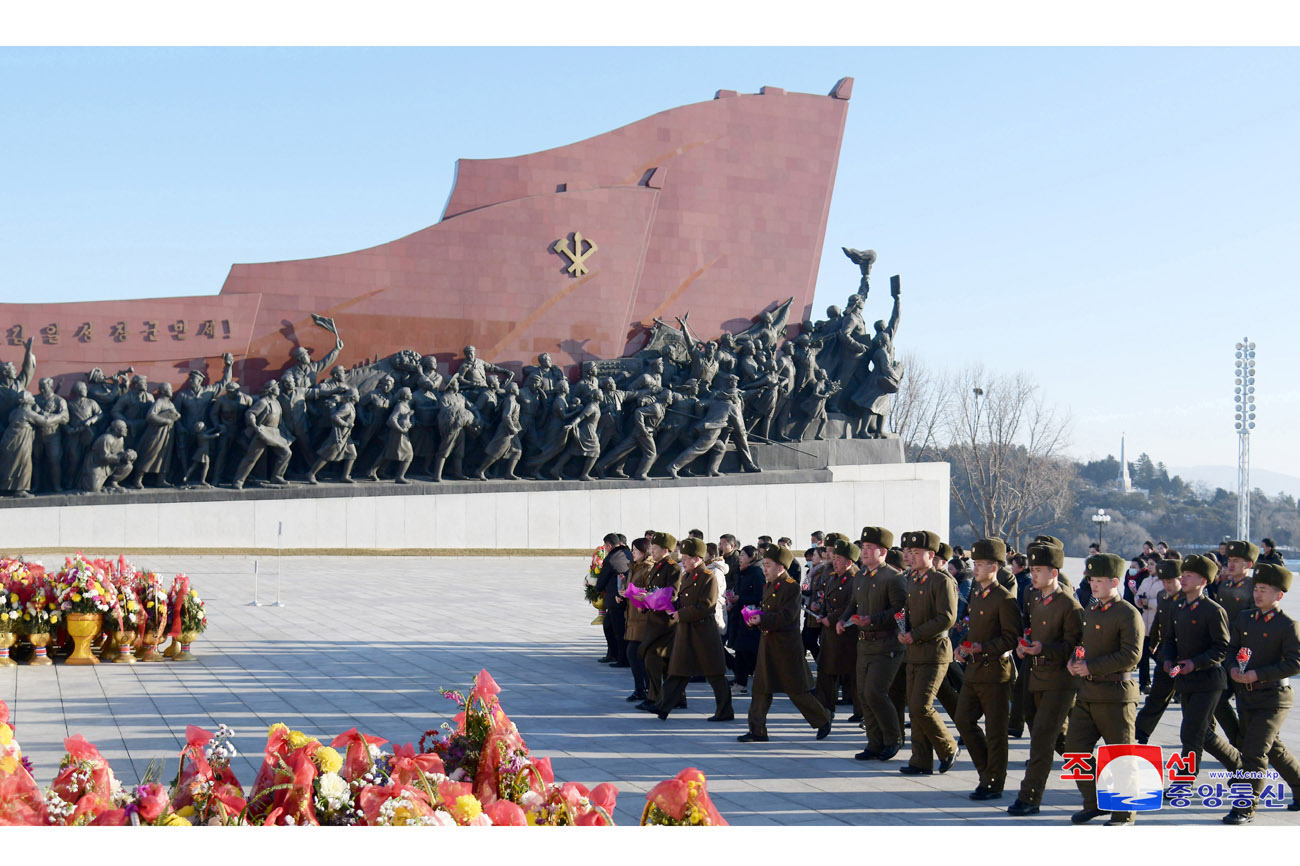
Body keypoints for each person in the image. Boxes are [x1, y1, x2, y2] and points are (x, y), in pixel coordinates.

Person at [1062, 553, 1144, 825]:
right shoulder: (1092, 610)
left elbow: (1132, 655)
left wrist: (1092, 667)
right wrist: (1075, 660)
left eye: (1099, 580)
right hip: (1087, 693)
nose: (1093, 585)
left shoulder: (1128, 613)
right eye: (1091, 580)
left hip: (1116, 695)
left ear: (1115, 582)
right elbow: (1084, 645)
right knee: (1074, 751)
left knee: (1120, 755)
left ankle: (1124, 812)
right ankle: (1096, 800)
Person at [1006, 540, 1083, 816]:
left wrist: (1044, 649)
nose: (1033, 574)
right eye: (1032, 568)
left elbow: (1075, 647)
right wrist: (1024, 644)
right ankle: (1101, 786)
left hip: (1060, 681)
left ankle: (1030, 796)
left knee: (1041, 738)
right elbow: (1029, 626)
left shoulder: (1070, 605)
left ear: (1054, 573)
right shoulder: (1032, 596)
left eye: (1038, 569)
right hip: (1034, 674)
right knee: (1061, 742)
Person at [1222, 563, 1300, 823]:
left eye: (1264, 590)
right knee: (1273, 749)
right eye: (1256, 588)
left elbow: (1295, 662)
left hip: (1274, 697)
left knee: (1254, 752)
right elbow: (1232, 649)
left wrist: (1259, 674)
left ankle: (1245, 806)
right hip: (1248, 696)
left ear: (1279, 595)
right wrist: (1233, 668)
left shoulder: (1288, 625)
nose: (1258, 594)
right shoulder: (1245, 618)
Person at [737, 546, 833, 743]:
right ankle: (757, 730)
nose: (764, 569)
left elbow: (787, 617)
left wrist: (761, 620)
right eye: (763, 565)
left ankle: (823, 720)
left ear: (780, 567)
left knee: (796, 690)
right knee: (761, 689)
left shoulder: (790, 586)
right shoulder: (768, 585)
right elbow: (767, 614)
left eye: (768, 565)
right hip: (768, 645)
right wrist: (755, 620)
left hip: (786, 648)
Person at [1163, 554, 1240, 782]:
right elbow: (1169, 639)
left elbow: (1222, 648)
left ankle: (1186, 778)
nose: (1183, 579)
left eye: (1189, 576)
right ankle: (1240, 766)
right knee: (1201, 732)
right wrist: (1167, 660)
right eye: (1182, 575)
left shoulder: (1213, 610)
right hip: (1186, 680)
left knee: (1191, 731)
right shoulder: (1176, 605)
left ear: (1204, 581)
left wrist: (1195, 663)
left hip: (1209, 680)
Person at [954, 538, 1020, 800]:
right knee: (963, 720)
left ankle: (994, 781)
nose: (976, 568)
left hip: (996, 672)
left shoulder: (1004, 598)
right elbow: (972, 627)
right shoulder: (978, 594)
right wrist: (962, 646)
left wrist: (982, 647)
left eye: (980, 564)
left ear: (994, 567)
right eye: (975, 563)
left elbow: (1011, 638)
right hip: (973, 670)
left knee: (995, 731)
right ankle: (986, 770)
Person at [838, 526, 906, 761]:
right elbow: (853, 603)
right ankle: (874, 743)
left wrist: (872, 619)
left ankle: (893, 738)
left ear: (883, 551)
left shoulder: (894, 578)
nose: (864, 552)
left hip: (887, 644)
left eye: (869, 548)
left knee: (875, 692)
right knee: (863, 695)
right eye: (863, 548)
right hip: (864, 644)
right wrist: (843, 619)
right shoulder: (861, 576)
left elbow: (900, 612)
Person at [898, 530, 960, 777]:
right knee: (914, 709)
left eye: (916, 553)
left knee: (921, 705)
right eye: (909, 552)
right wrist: (903, 631)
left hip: (935, 652)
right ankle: (921, 759)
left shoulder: (941, 581)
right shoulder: (912, 579)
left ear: (931, 555)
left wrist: (917, 633)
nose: (910, 557)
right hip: (914, 651)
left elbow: (947, 617)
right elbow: (908, 613)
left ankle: (948, 747)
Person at [655, 537, 734, 722]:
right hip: (687, 632)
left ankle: (725, 711)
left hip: (704, 633)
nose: (682, 561)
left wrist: (681, 615)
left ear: (696, 558)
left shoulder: (708, 577)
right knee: (678, 671)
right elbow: (683, 601)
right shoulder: (688, 575)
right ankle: (662, 707)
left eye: (686, 558)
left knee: (715, 675)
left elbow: (707, 606)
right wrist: (669, 605)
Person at [635, 532, 683, 713]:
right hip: (654, 621)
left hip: (667, 623)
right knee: (665, 661)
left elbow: (672, 594)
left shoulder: (673, 568)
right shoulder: (657, 566)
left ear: (665, 550)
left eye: (654, 548)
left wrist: (648, 597)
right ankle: (676, 697)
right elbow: (652, 589)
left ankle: (654, 697)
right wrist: (644, 604)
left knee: (652, 656)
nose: (651, 551)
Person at [1135, 560, 1182, 744]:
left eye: (1171, 581)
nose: (1167, 586)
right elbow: (1158, 621)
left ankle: (1206, 736)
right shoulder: (1163, 596)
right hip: (1166, 656)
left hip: (1185, 658)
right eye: (1164, 581)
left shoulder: (1188, 599)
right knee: (1157, 696)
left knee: (1192, 703)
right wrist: (1153, 642)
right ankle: (1140, 733)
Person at [728, 545, 764, 695]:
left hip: (750, 619)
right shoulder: (741, 573)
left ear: (751, 557)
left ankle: (743, 682)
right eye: (740, 555)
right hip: (739, 618)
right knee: (741, 653)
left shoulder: (756, 574)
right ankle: (740, 682)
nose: (740, 558)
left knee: (748, 653)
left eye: (743, 555)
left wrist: (740, 598)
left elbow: (759, 597)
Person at [622, 537, 654, 704]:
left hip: (643, 618)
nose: (632, 553)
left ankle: (647, 690)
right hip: (633, 617)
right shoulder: (634, 567)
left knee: (637, 654)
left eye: (636, 550)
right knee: (634, 654)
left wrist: (638, 595)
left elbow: (651, 592)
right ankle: (641, 689)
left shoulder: (648, 568)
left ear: (644, 552)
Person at [595, 533, 631, 668]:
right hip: (623, 597)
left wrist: (596, 588)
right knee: (610, 626)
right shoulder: (626, 552)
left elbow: (602, 579)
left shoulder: (611, 558)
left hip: (616, 599)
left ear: (609, 545)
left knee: (617, 630)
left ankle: (622, 658)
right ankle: (614, 654)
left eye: (605, 546)